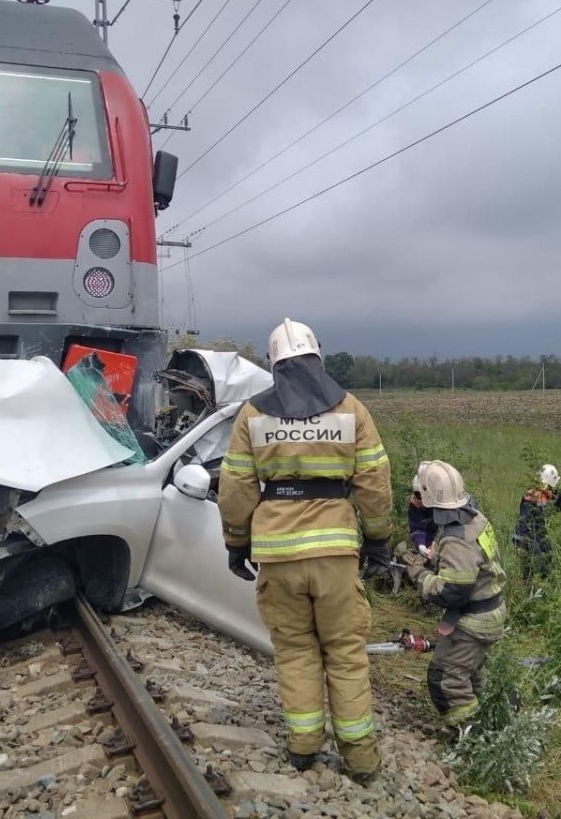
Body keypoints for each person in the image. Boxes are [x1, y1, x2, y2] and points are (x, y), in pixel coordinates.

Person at [218, 318, 391, 781]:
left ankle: (303, 748)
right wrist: (378, 540)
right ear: (318, 358)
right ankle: (360, 758)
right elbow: (374, 480)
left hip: (277, 553)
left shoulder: (252, 415)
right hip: (336, 551)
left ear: (273, 364)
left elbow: (234, 487)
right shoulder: (350, 408)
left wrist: (237, 542)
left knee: (295, 651)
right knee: (346, 652)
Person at [394, 461, 506, 733]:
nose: (418, 502)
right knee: (473, 677)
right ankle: (495, 727)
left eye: (421, 496)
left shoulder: (455, 536)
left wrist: (418, 573)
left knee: (446, 681)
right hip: (489, 609)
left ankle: (472, 738)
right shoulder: (476, 517)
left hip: (472, 620)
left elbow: (451, 592)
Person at [513, 463, 561, 582]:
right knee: (537, 568)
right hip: (528, 537)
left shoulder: (541, 493)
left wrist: (559, 504)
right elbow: (530, 520)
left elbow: (545, 514)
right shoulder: (533, 495)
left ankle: (545, 587)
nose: (553, 488)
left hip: (538, 535)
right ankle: (532, 591)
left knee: (549, 560)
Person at [406, 465, 434, 555]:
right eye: (418, 495)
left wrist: (436, 544)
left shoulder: (445, 504)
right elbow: (417, 528)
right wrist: (421, 545)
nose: (421, 500)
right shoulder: (415, 504)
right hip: (429, 547)